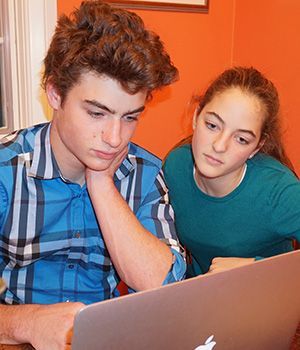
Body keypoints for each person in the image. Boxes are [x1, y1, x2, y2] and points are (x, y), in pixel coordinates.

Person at [0, 1, 186, 349]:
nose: (115, 139)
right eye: (97, 113)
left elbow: (163, 286)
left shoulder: (143, 172)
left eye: (130, 117)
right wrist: (28, 323)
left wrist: (101, 181)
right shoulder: (6, 170)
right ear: (55, 93)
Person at [163, 66, 300, 278]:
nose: (219, 146)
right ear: (196, 117)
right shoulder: (176, 165)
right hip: (199, 298)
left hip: (269, 301)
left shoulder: (279, 191)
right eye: (212, 125)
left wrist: (254, 269)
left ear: (256, 147)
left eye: (241, 139)